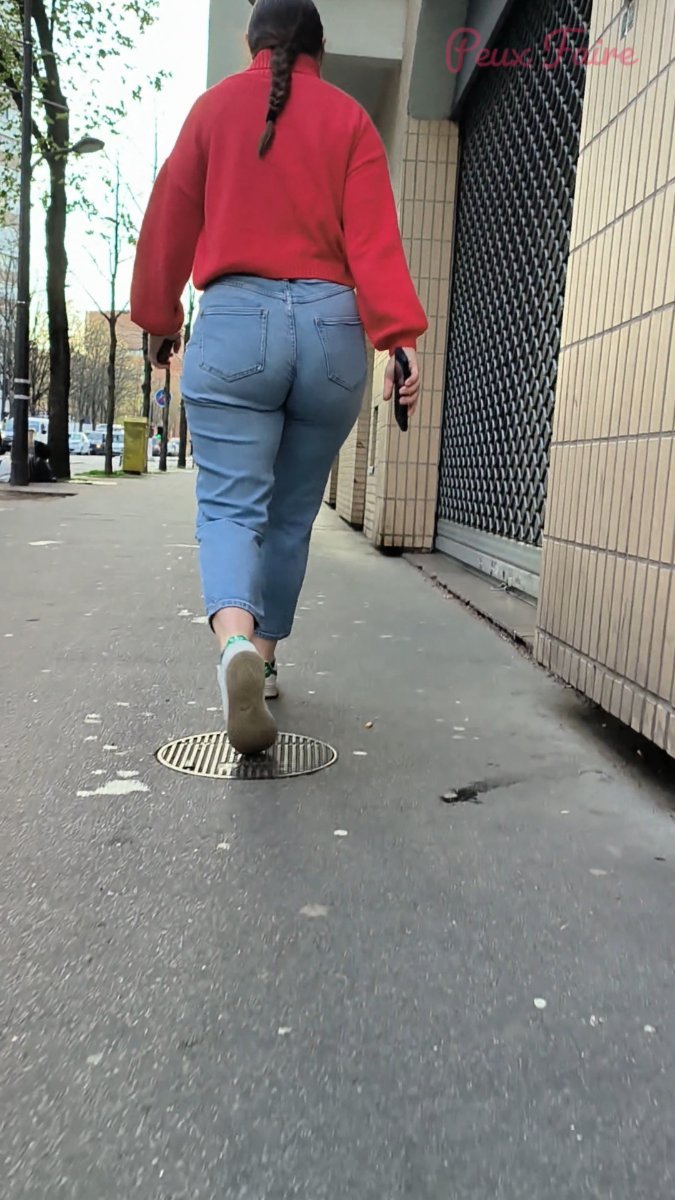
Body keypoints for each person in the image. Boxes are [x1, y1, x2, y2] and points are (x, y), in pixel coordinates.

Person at [130, 0, 427, 756]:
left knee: (232, 506)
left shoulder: (213, 111)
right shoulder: (351, 121)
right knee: (292, 516)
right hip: (331, 330)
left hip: (236, 323)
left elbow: (168, 220)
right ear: (321, 49)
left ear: (250, 44)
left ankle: (232, 643)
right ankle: (262, 661)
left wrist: (159, 318)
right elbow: (374, 240)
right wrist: (397, 340)